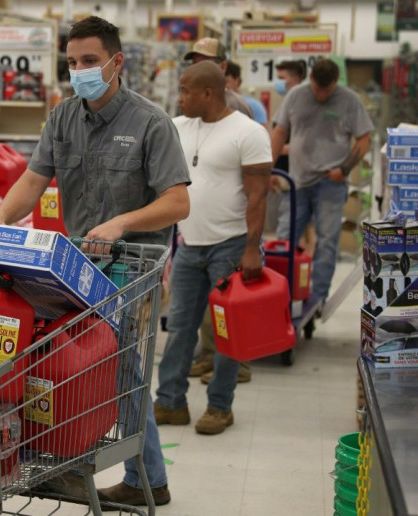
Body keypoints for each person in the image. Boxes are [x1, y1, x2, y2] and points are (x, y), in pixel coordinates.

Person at [0, 16, 190, 507]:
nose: (79, 71)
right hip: (76, 268)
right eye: (73, 62)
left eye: (90, 61)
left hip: (131, 269)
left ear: (117, 62)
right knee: (71, 366)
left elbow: (177, 202)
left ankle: (146, 479)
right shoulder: (62, 117)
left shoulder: (150, 122)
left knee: (120, 371)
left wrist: (122, 222)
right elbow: (33, 180)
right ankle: (78, 465)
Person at [154, 61, 272, 435]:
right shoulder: (176, 127)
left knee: (227, 333)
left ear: (208, 93)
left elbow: (258, 197)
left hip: (232, 246)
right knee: (179, 328)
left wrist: (252, 249)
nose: (180, 97)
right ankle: (170, 401)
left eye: (185, 90)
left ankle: (220, 406)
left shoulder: (248, 133)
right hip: (189, 245)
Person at [270, 58, 373, 306]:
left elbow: (364, 139)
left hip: (331, 184)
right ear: (311, 80)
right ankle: (277, 292)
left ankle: (318, 297)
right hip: (297, 182)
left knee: (327, 240)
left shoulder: (349, 100)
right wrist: (270, 168)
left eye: (327, 90)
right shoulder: (296, 96)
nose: (321, 94)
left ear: (336, 83)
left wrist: (344, 169)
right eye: (317, 88)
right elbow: (279, 132)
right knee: (285, 238)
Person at [183, 39, 256, 386]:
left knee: (224, 312)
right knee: (197, 316)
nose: (196, 65)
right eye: (193, 60)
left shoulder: (237, 110)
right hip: (194, 234)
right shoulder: (189, 111)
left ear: (222, 68)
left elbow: (250, 183)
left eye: (204, 61)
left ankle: (231, 365)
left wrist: (251, 244)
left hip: (228, 234)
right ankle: (209, 356)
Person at [183, 37, 253, 118]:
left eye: (206, 64)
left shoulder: (235, 105)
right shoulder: (186, 103)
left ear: (223, 67)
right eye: (195, 64)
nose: (199, 69)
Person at [273, 60, 307, 174]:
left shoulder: (302, 106)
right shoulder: (286, 103)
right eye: (278, 78)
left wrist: (279, 148)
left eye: (282, 78)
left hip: (294, 171)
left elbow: (307, 142)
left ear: (296, 80)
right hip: (280, 169)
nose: (279, 82)